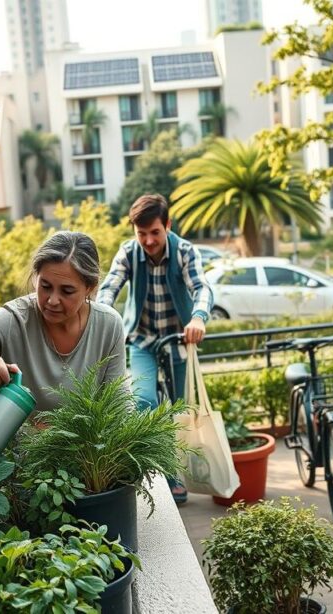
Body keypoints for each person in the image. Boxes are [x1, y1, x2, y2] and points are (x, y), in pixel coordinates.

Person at [97, 193, 213, 504]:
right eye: (141, 233)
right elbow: (109, 286)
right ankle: (164, 476)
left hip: (179, 340)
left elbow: (201, 288)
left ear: (168, 226)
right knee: (144, 402)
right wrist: (103, 316)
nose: (148, 240)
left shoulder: (185, 251)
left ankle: (182, 474)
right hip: (142, 340)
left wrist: (198, 318)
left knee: (179, 411)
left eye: (155, 232)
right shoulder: (129, 252)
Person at [0, 231, 126, 411]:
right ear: (35, 278)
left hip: (88, 450)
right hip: (21, 450)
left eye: (67, 291)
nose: (52, 300)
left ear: (89, 288)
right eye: (45, 286)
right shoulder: (13, 319)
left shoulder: (108, 325)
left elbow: (119, 403)